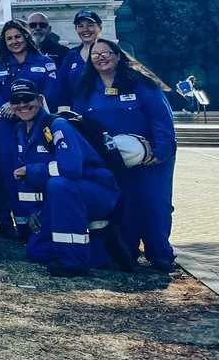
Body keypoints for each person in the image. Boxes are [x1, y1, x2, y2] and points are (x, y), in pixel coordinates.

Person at [72, 40, 177, 271]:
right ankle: (127, 251)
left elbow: (161, 118)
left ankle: (159, 252)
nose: (101, 58)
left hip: (150, 158)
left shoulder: (141, 83)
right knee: (123, 204)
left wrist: (160, 152)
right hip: (112, 161)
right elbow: (79, 124)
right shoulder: (87, 89)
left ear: (118, 56)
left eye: (106, 53)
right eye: (95, 55)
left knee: (153, 203)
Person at [10, 78, 120, 277]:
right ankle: (101, 251)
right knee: (37, 251)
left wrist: (33, 170)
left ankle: (74, 262)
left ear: (40, 100)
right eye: (16, 100)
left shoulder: (57, 125)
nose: (23, 104)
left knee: (59, 184)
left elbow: (70, 168)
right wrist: (35, 211)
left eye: (28, 98)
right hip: (59, 197)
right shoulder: (20, 132)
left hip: (96, 189)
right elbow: (25, 181)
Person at [0, 19, 59, 236]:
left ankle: (44, 219)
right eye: (9, 38)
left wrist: (28, 110)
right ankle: (22, 225)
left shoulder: (45, 62)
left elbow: (51, 92)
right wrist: (8, 108)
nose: (14, 42)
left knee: (37, 168)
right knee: (11, 171)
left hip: (38, 124)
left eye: (18, 37)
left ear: (26, 37)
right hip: (8, 124)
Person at [58, 10, 103, 106]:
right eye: (80, 26)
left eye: (90, 25)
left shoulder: (112, 53)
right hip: (79, 113)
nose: (85, 29)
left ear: (100, 27)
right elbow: (62, 88)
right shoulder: (71, 56)